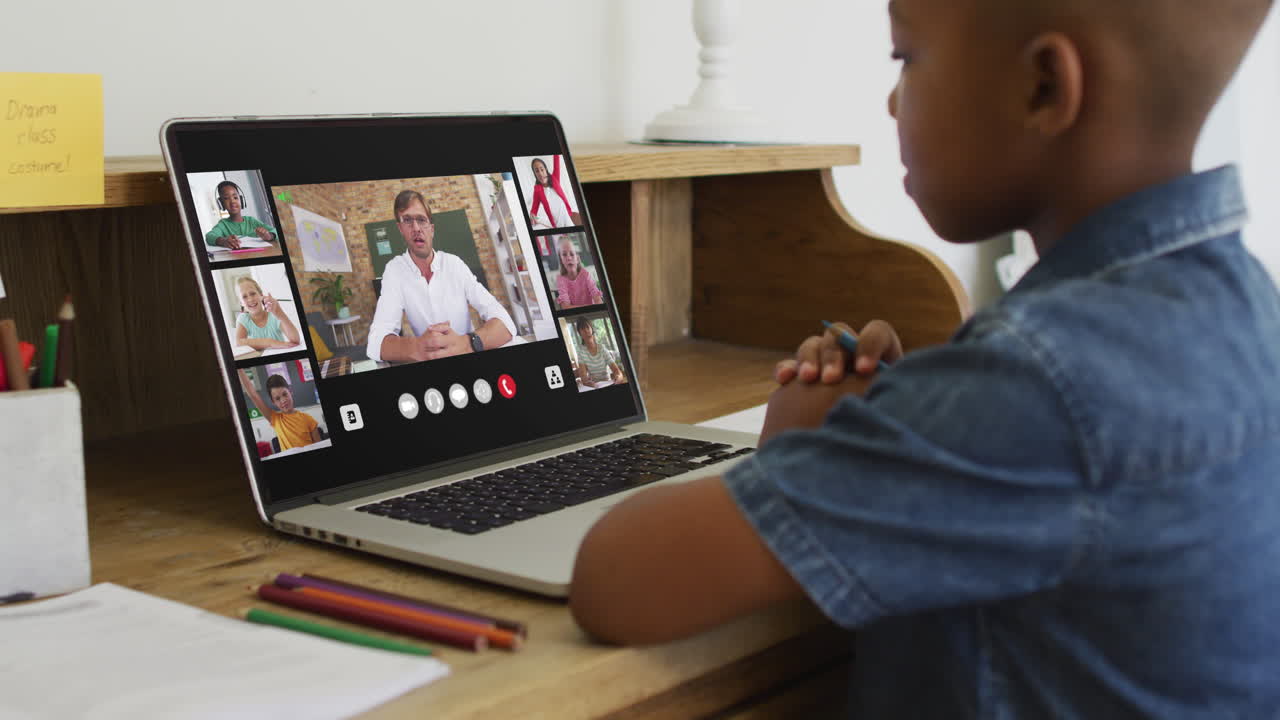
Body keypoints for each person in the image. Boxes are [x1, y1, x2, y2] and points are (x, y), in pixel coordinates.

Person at [569, 1, 1280, 717]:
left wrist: (813, 445)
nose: (890, 101)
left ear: (1043, 86)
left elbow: (618, 580)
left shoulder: (1035, 383)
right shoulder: (1246, 307)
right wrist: (914, 415)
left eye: (905, 59)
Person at [366, 190, 516, 363]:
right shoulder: (394, 271)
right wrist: (418, 347)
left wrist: (467, 344)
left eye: (421, 220)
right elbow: (376, 343)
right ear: (400, 228)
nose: (416, 228)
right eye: (407, 220)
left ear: (431, 229)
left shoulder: (455, 264)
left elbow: (505, 323)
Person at [238, 371, 321, 451]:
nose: (283, 400)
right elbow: (253, 395)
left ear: (290, 392)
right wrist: (239, 369)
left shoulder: (308, 419)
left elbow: (319, 446)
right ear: (273, 402)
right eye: (277, 399)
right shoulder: (275, 419)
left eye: (285, 394)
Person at [233, 276, 301, 351]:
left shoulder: (273, 315)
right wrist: (270, 342)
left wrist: (278, 311)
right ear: (241, 303)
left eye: (253, 293)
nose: (250, 299)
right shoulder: (243, 319)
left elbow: (295, 340)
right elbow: (239, 342)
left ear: (261, 295)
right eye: (244, 296)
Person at [205, 180, 277, 249]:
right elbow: (209, 236)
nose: (232, 201)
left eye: (235, 197)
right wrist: (223, 241)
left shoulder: (251, 221)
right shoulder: (223, 224)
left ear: (241, 200)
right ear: (221, 204)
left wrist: (269, 236)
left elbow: (275, 230)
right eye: (226, 198)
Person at [528, 156, 581, 229]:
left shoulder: (555, 178)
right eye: (537, 171)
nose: (540, 173)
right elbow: (534, 209)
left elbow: (556, 159)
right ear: (535, 174)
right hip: (557, 225)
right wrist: (532, 216)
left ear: (546, 169)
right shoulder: (537, 190)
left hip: (568, 218)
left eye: (542, 169)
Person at [572, 317, 624, 388]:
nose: (586, 330)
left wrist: (618, 377)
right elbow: (584, 378)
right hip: (593, 386)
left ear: (591, 329)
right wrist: (587, 383)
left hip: (608, 382)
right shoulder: (581, 352)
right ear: (579, 333)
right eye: (583, 329)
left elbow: (617, 371)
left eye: (587, 327)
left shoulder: (602, 348)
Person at [555, 235, 604, 309]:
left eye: (572, 254)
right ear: (561, 259)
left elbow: (598, 301)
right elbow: (565, 307)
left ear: (577, 258)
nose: (569, 258)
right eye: (564, 255)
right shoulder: (561, 279)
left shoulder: (585, 274)